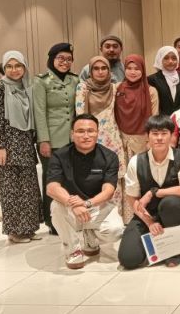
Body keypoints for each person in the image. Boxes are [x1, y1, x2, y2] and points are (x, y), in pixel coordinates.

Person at [118, 115, 180, 269]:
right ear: (147, 136)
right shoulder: (136, 161)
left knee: (170, 203)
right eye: (155, 133)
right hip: (147, 213)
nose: (159, 138)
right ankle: (155, 242)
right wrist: (150, 222)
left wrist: (154, 192)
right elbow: (132, 198)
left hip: (174, 211)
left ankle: (174, 249)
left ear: (172, 135)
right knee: (128, 259)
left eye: (164, 133)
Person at [47, 114, 124, 269]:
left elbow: (108, 191)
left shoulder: (109, 156)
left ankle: (90, 239)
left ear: (97, 133)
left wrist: (87, 203)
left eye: (91, 131)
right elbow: (52, 188)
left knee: (116, 230)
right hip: (70, 206)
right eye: (80, 131)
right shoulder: (60, 156)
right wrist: (72, 203)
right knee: (55, 206)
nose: (86, 135)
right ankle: (73, 250)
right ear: (72, 134)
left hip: (97, 205)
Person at [0, 50, 42, 244]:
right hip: (9, 145)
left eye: (18, 65)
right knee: (11, 190)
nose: (14, 70)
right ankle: (14, 232)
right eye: (9, 66)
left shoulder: (27, 86)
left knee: (28, 189)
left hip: (25, 145)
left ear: (24, 67)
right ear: (4, 68)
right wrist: (0, 145)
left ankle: (28, 229)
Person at [34, 42, 79, 235]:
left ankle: (68, 217)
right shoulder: (41, 81)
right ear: (52, 59)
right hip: (51, 140)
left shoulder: (74, 80)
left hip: (72, 139)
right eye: (60, 58)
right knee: (52, 179)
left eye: (69, 59)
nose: (65, 62)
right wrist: (44, 140)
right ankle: (52, 221)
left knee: (70, 179)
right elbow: (39, 112)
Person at [115, 54, 159, 222]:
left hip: (142, 140)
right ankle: (126, 218)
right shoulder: (117, 88)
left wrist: (150, 141)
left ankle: (144, 216)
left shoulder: (151, 91)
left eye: (137, 69)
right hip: (121, 140)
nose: (133, 72)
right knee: (123, 180)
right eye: (129, 68)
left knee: (141, 179)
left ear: (143, 70)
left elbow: (154, 118)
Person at [76, 56, 125, 202]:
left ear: (109, 71)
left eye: (104, 68)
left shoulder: (115, 87)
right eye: (96, 68)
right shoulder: (83, 88)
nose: (100, 71)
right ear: (90, 71)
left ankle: (116, 213)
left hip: (113, 140)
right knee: (93, 178)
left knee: (114, 180)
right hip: (92, 139)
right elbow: (80, 116)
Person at [148, 46, 180, 117]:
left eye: (174, 58)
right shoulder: (151, 79)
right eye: (166, 58)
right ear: (160, 59)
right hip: (162, 120)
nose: (170, 61)